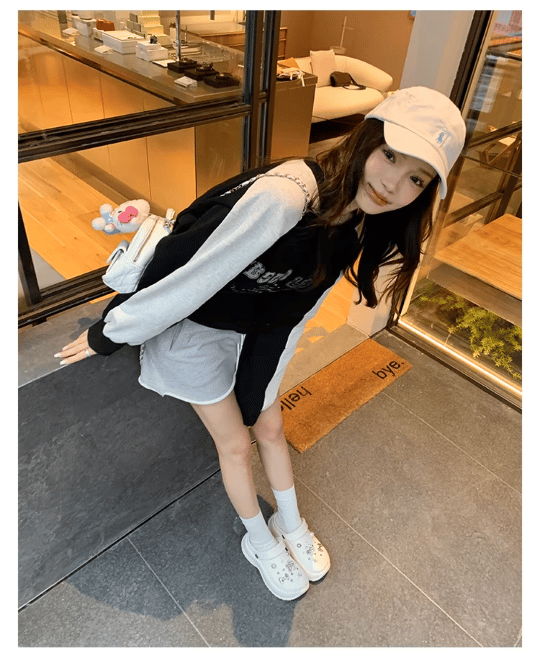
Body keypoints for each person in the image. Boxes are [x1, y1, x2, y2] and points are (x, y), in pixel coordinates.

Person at [55, 87, 466, 601]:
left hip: (245, 333)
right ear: (367, 139)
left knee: (271, 425)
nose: (392, 184)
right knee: (235, 444)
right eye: (390, 155)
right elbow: (192, 272)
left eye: (416, 179)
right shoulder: (287, 197)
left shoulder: (356, 223)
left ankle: (290, 524)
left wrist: (262, 381)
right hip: (190, 331)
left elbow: (295, 314)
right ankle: (259, 541)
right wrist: (109, 332)